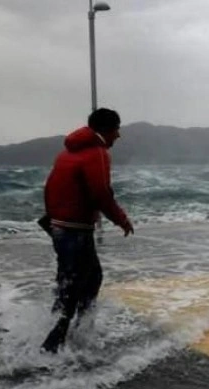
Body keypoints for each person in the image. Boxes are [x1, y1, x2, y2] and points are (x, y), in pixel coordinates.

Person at [40, 108, 134, 353]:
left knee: (72, 281)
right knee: (80, 284)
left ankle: (71, 333)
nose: (119, 136)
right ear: (107, 130)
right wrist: (121, 219)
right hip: (76, 230)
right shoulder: (97, 152)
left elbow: (50, 187)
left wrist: (55, 219)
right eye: (117, 129)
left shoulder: (67, 152)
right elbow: (101, 193)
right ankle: (54, 345)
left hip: (61, 227)